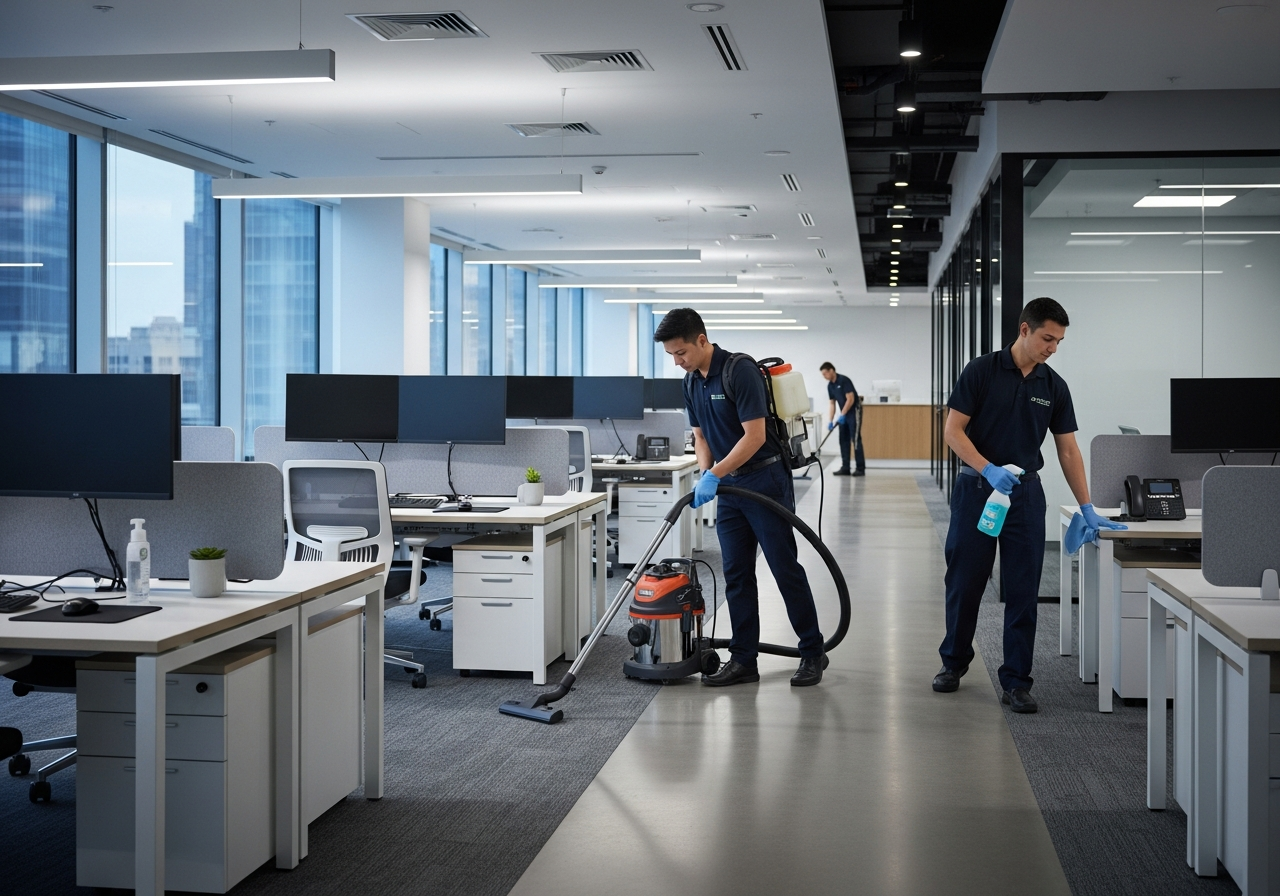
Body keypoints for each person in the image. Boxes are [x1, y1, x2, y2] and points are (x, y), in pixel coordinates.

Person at [933, 297, 1125, 713]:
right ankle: (954, 662)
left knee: (1023, 588)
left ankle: (1017, 680)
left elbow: (1068, 450)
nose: (1052, 348)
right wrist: (986, 469)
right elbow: (953, 430)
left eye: (1058, 341)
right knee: (965, 581)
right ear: (1024, 329)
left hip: (1023, 495)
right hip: (977, 491)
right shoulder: (981, 371)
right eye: (1047, 338)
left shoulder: (1052, 386)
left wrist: (1087, 507)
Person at [654, 307, 827, 687]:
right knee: (736, 575)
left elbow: (755, 436)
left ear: (702, 339)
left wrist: (714, 474)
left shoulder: (739, 370)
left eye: (681, 352)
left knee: (784, 569)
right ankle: (745, 659)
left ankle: (812, 652)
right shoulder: (689, 382)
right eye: (671, 356)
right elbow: (701, 436)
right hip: (729, 489)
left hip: (765, 481)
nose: (678, 362)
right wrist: (706, 472)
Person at [819, 362, 865, 476]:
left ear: (831, 371)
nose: (824, 376)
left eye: (825, 373)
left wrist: (843, 414)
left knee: (855, 439)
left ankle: (860, 468)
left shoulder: (844, 380)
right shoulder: (830, 385)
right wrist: (831, 420)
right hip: (843, 414)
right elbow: (832, 404)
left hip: (854, 412)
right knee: (843, 440)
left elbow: (850, 399)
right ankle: (845, 467)